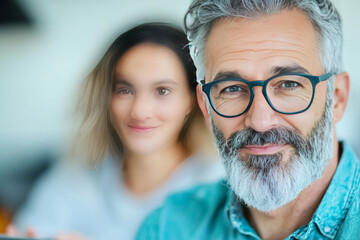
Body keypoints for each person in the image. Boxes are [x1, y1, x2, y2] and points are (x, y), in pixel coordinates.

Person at [136, 1, 360, 239]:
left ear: (337, 98)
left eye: (289, 84)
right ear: (206, 106)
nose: (260, 121)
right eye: (232, 89)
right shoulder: (165, 229)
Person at [9, 23, 223, 240]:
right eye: (125, 90)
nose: (140, 111)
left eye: (162, 91)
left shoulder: (218, 190)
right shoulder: (72, 181)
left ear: (191, 100)